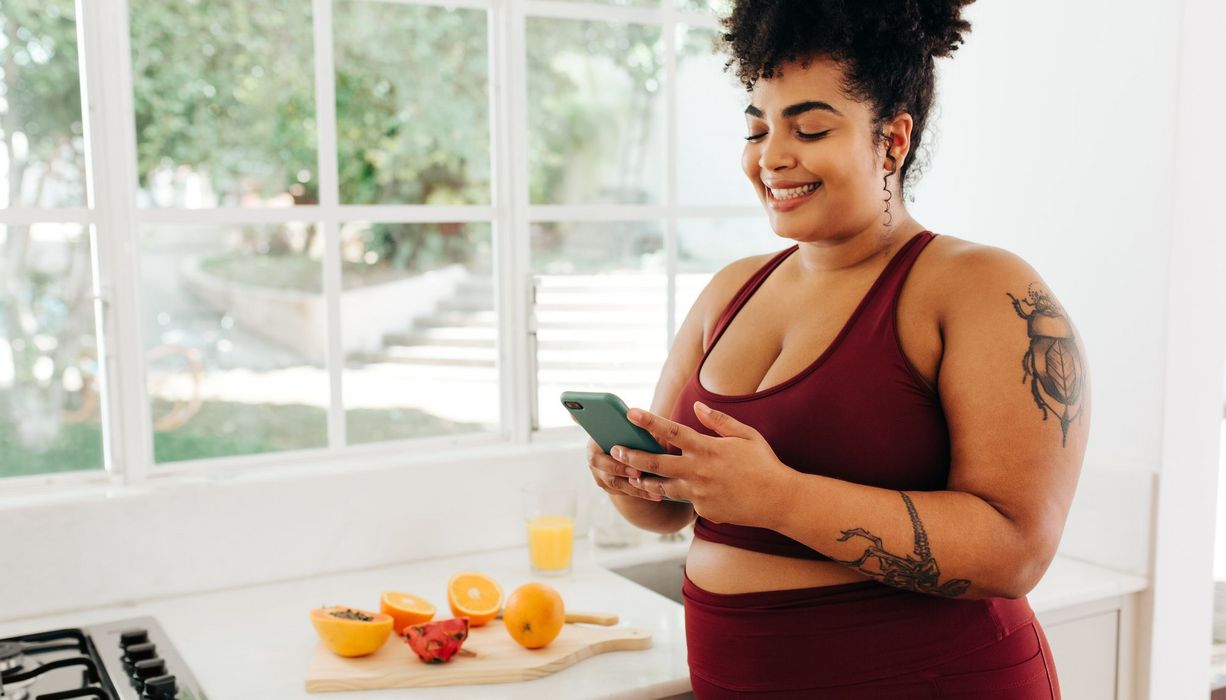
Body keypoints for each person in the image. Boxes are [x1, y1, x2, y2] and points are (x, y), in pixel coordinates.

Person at [585, 1, 1088, 697]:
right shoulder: (731, 290)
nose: (771, 157)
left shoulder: (980, 287)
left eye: (810, 128)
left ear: (892, 141)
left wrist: (780, 497)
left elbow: (1016, 550)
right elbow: (671, 509)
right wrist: (632, 478)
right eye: (757, 128)